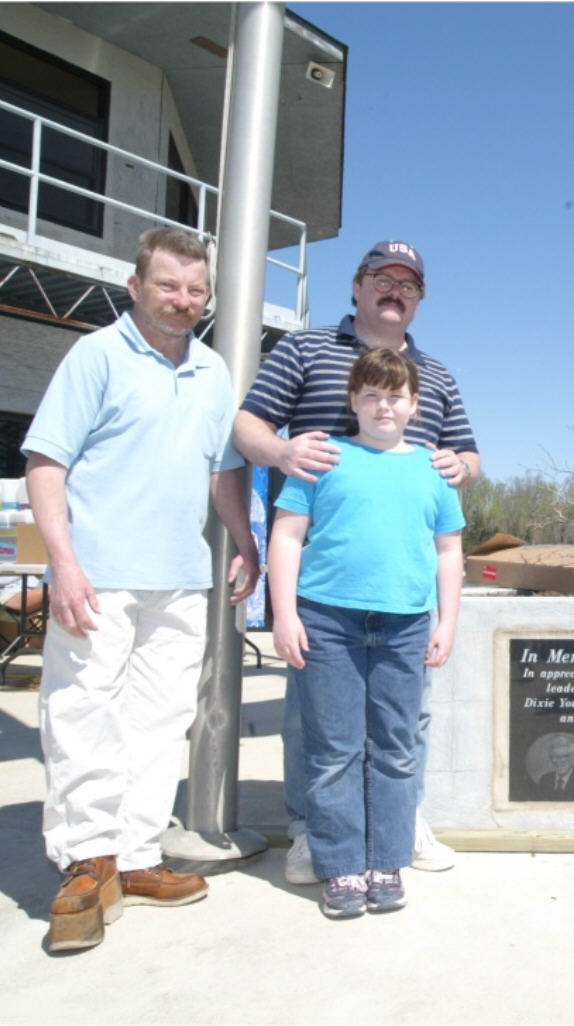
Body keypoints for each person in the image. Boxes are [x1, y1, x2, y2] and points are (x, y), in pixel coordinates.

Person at [22, 227, 259, 953]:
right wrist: (62, 562)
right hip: (99, 574)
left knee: (158, 721)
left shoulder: (214, 370)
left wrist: (243, 537)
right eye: (168, 285)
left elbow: (222, 470)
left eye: (195, 289)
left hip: (181, 579)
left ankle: (136, 854)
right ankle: (86, 862)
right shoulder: (96, 355)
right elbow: (45, 460)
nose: (183, 300)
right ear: (136, 287)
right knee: (83, 710)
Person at [234, 240, 478, 883]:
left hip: (401, 592)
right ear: (358, 284)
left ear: (420, 298)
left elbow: (468, 459)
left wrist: (461, 466)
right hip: (329, 585)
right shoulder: (303, 349)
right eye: (383, 279)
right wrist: (283, 456)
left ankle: (399, 825)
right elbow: (248, 427)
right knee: (313, 720)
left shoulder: (439, 375)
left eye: (409, 284)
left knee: (406, 721)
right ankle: (312, 830)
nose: (395, 291)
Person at [266, 347, 464, 919]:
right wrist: (285, 614)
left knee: (396, 749)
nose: (383, 406)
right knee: (333, 750)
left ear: (414, 404)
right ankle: (342, 865)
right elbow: (286, 536)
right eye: (371, 395)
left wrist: (446, 621)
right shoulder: (324, 459)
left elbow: (449, 551)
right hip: (328, 620)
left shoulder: (432, 470)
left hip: (404, 624)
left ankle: (387, 859)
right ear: (353, 400)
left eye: (395, 396)